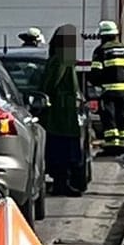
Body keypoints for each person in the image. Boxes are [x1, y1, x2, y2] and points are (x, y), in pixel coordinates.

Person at [40, 24, 88, 195]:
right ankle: (62, 183)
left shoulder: (63, 58)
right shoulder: (61, 59)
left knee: (67, 149)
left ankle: (64, 182)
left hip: (66, 112)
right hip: (61, 113)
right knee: (62, 148)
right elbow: (51, 83)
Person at [89, 21, 124, 153]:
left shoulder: (101, 51)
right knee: (122, 116)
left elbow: (96, 73)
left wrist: (95, 84)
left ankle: (113, 145)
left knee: (109, 117)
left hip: (107, 91)